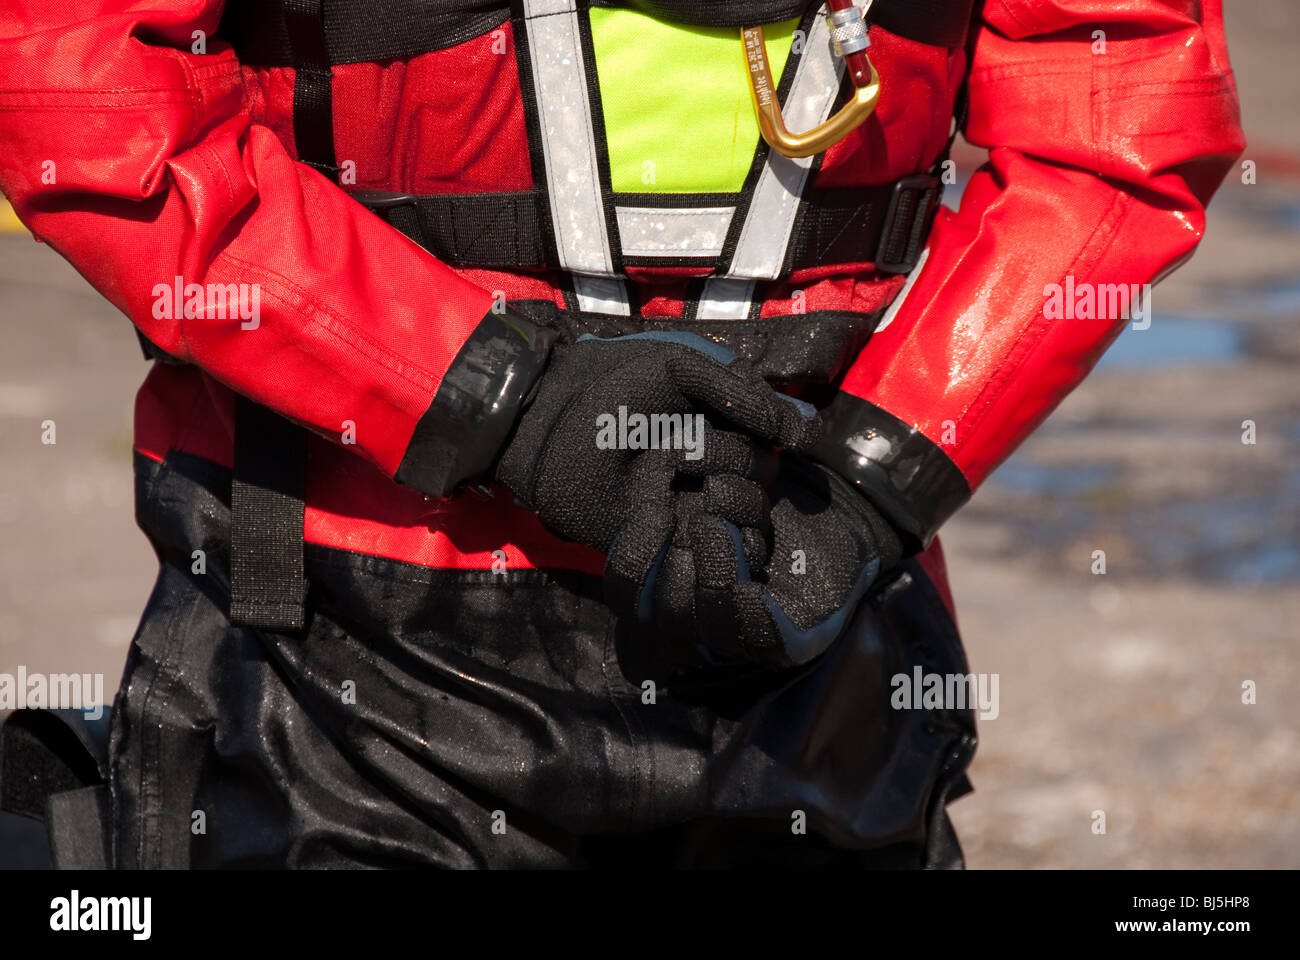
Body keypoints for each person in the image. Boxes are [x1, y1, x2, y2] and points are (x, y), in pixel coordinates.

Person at [0, 0, 1243, 868]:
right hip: (344, 650)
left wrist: (862, 489)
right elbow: (79, 86)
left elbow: (1121, 109)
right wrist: (499, 398)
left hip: (791, 621)